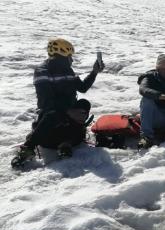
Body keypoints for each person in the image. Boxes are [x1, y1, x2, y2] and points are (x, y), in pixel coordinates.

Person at [11, 38, 103, 168]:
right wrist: (68, 111)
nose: (72, 59)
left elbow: (82, 88)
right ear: (60, 56)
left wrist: (94, 72)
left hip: (67, 117)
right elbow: (45, 102)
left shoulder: (68, 70)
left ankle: (65, 143)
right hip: (50, 120)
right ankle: (28, 148)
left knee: (84, 104)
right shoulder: (42, 71)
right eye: (69, 56)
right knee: (53, 113)